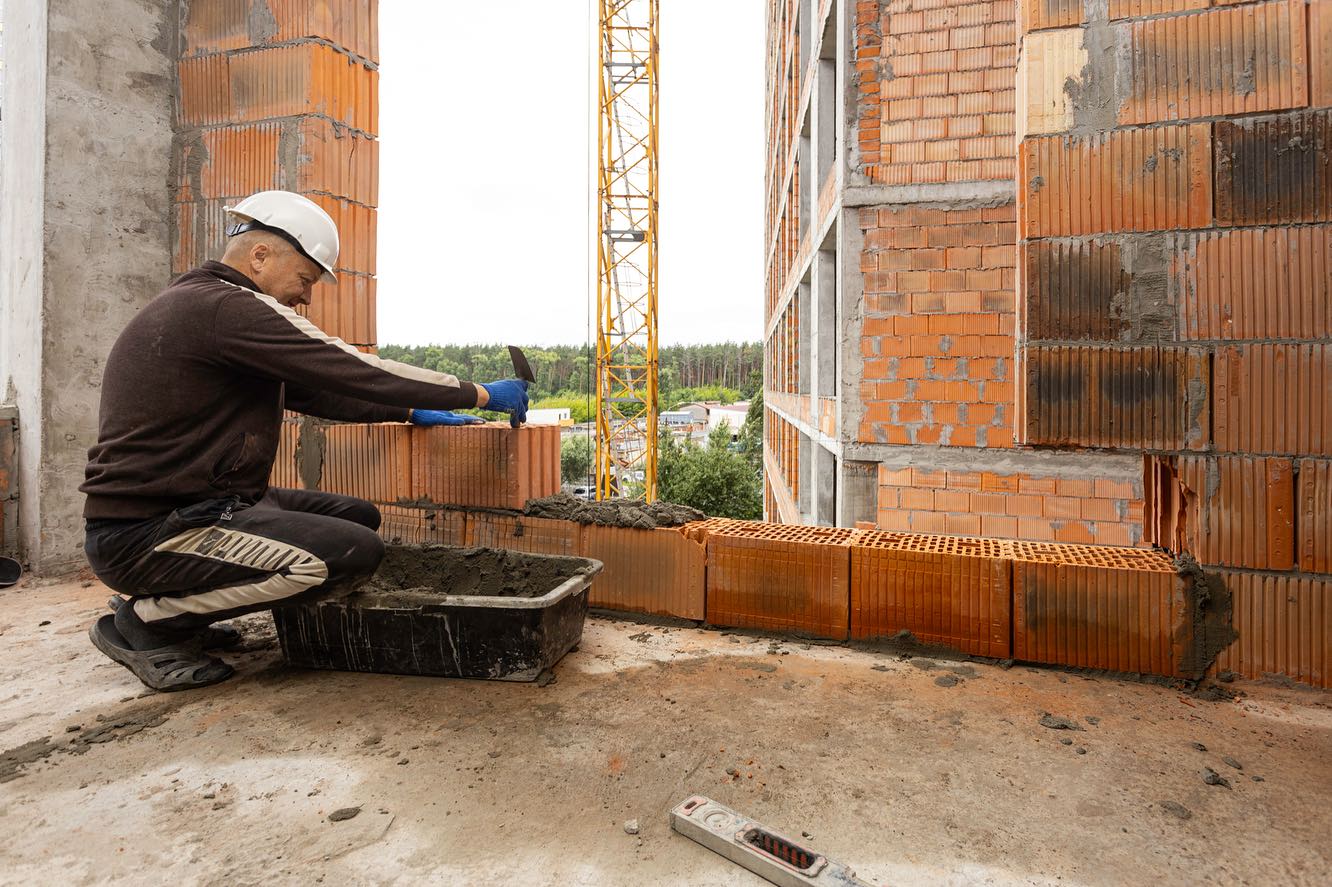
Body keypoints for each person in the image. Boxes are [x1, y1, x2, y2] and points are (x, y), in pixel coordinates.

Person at [80, 190, 530, 692]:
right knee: (348, 554)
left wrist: (410, 409)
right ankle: (150, 622)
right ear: (261, 256)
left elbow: (317, 392)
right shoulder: (226, 308)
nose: (306, 297)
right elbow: (353, 368)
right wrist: (480, 392)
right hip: (150, 532)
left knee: (358, 519)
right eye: (305, 280)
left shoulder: (206, 310)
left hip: (204, 505)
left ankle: (179, 609)